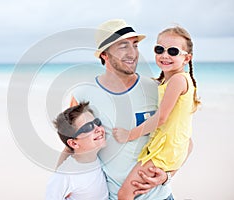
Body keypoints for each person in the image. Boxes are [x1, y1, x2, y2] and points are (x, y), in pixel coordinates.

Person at [63, 19, 194, 199]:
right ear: (104, 55)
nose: (132, 53)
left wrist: (168, 175)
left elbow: (184, 139)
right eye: (123, 46)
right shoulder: (83, 95)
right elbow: (71, 147)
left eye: (135, 45)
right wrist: (61, 187)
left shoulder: (156, 89)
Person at [112, 26, 200, 199]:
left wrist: (129, 135)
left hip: (163, 150)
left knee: (124, 195)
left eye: (173, 51)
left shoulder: (177, 80)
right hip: (171, 148)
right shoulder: (173, 81)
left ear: (186, 58)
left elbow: (161, 118)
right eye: (159, 49)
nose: (165, 55)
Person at [46, 102, 108, 200]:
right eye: (88, 127)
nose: (98, 129)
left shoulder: (96, 159)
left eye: (96, 122)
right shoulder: (67, 173)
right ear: (74, 144)